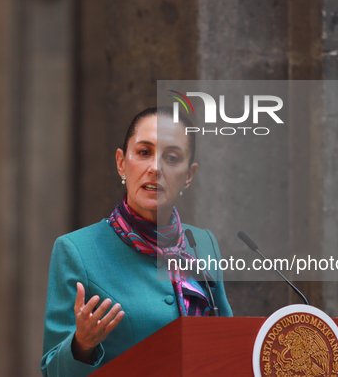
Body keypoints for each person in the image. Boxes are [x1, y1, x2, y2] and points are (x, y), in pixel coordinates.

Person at [40, 107, 233, 376]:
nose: (155, 168)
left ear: (189, 175)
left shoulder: (202, 242)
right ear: (121, 162)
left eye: (172, 157)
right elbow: (53, 371)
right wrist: (82, 345)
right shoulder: (77, 251)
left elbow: (228, 341)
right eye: (144, 153)